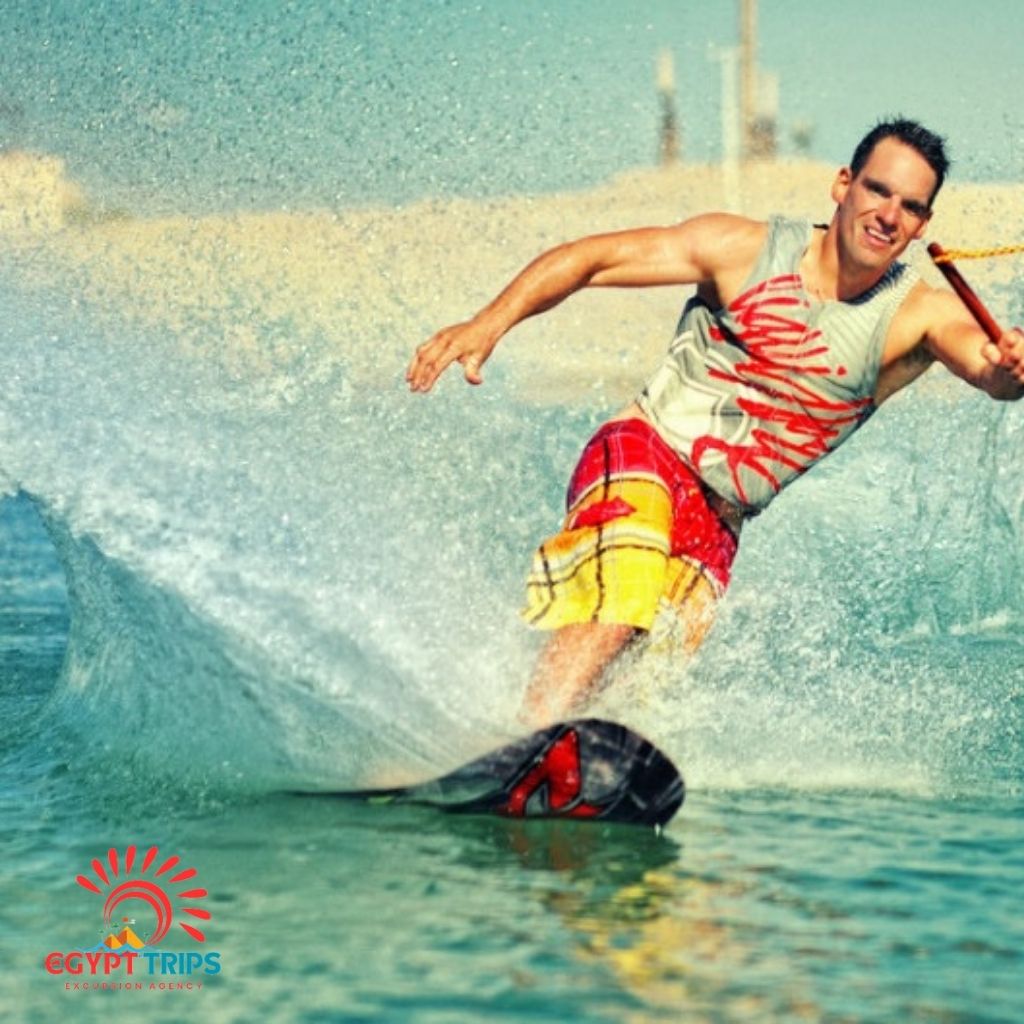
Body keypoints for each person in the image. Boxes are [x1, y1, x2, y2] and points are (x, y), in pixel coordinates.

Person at [406, 118, 1024, 727]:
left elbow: (989, 369)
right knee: (622, 597)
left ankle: (552, 753)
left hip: (720, 521)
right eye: (877, 190)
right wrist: (488, 324)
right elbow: (591, 259)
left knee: (637, 681)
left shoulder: (917, 315)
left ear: (923, 225)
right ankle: (527, 741)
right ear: (843, 184)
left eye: (910, 206)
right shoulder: (743, 249)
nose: (888, 215)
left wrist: (1012, 368)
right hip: (645, 451)